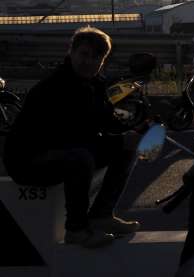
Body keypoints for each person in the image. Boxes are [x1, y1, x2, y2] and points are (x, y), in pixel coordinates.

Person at [3, 27, 140, 248]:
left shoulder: (94, 85)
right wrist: (118, 140)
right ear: (71, 52)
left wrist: (134, 129)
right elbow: (70, 137)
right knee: (80, 157)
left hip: (60, 150)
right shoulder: (55, 87)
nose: (89, 61)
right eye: (84, 54)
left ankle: (101, 215)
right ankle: (76, 230)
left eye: (97, 57)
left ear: (103, 61)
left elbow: (104, 120)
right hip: (28, 160)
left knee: (127, 148)